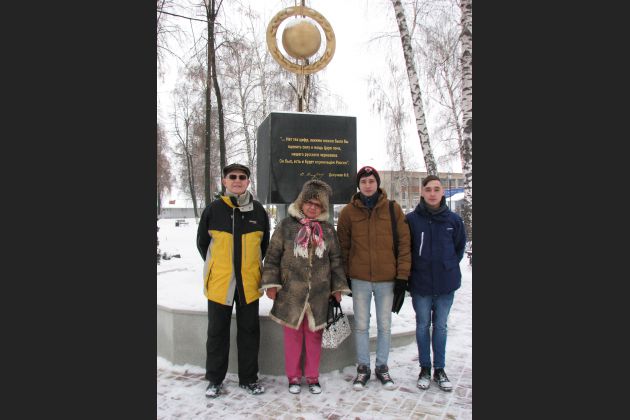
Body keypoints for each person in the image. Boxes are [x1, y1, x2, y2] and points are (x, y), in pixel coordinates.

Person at [261, 179, 350, 395]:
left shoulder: (327, 230)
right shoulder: (286, 225)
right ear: (301, 202)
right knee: (292, 337)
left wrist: (337, 287)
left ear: (323, 208)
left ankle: (312, 377)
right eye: (309, 202)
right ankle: (293, 377)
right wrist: (271, 284)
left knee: (313, 338)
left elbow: (336, 260)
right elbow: (272, 256)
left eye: (318, 205)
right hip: (290, 293)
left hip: (319, 295)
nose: (312, 207)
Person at [196, 163, 270, 398]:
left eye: (242, 177)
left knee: (249, 333)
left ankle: (249, 379)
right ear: (224, 181)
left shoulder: (259, 211)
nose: (237, 180)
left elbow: (264, 246)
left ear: (248, 181)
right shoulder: (213, 210)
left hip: (248, 283)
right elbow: (202, 244)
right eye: (232, 177)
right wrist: (218, 267)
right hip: (220, 283)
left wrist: (251, 267)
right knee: (217, 333)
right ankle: (214, 380)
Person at [336, 166, 411, 390]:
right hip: (359, 279)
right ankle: (363, 368)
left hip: (387, 279)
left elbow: (404, 244)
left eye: (371, 181)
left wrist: (402, 276)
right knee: (361, 326)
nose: (368, 185)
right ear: (358, 185)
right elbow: (343, 248)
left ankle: (382, 367)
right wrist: (344, 276)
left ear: (377, 183)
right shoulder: (348, 212)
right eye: (364, 181)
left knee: (384, 325)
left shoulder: (393, 209)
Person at [405, 175, 466, 392]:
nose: (432, 193)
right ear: (422, 192)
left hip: (445, 283)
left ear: (442, 192)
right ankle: (424, 368)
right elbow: (406, 249)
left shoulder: (453, 220)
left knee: (440, 326)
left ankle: (439, 369)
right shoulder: (411, 220)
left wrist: (447, 265)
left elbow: (459, 248)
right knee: (423, 325)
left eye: (436, 189)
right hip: (420, 283)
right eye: (428, 189)